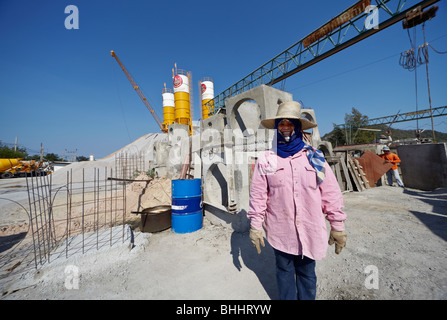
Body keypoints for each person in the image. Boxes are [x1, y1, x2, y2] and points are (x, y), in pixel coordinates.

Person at [247, 101, 347, 300]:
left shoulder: (315, 157)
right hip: (280, 232)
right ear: (277, 128)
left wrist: (337, 225)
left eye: (290, 123)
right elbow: (258, 195)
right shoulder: (267, 158)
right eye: (281, 124)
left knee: (307, 274)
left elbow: (331, 193)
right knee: (283, 273)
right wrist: (255, 225)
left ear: (298, 127)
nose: (286, 128)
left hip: (309, 230)